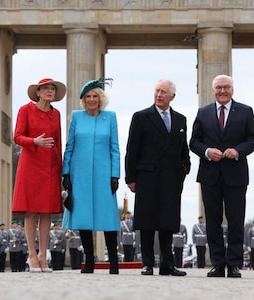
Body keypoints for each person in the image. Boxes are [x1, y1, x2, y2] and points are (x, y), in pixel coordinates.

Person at [189, 74, 254, 278]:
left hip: (236, 174)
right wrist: (207, 151)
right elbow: (194, 142)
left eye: (226, 87)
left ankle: (234, 264)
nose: (222, 91)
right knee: (212, 220)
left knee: (236, 220)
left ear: (232, 90)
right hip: (209, 174)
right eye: (219, 87)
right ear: (213, 90)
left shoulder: (246, 111)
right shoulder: (203, 113)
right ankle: (218, 264)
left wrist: (237, 151)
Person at [125, 79, 191, 277]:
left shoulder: (181, 119)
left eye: (163, 92)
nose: (159, 95)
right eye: (156, 91)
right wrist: (131, 177)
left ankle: (167, 265)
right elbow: (132, 149)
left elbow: (183, 148)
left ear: (172, 96)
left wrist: (185, 167)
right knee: (147, 222)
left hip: (171, 178)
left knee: (168, 222)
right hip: (147, 176)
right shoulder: (141, 117)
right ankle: (147, 264)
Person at [62, 78, 121, 275]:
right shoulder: (77, 117)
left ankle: (113, 262)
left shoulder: (110, 117)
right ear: (83, 99)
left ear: (101, 98)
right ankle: (89, 262)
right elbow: (69, 146)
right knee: (83, 217)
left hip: (104, 174)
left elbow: (115, 148)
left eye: (95, 96)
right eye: (88, 96)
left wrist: (115, 174)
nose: (91, 99)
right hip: (81, 174)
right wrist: (66, 172)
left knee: (108, 218)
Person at [12, 77, 66, 273]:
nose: (50, 91)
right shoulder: (25, 110)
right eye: (46, 89)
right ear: (38, 92)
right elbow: (17, 136)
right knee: (31, 210)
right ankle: (32, 255)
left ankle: (44, 255)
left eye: (52, 89)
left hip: (50, 166)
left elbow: (58, 142)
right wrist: (34, 141)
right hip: (31, 164)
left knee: (47, 211)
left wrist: (61, 169)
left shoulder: (56, 114)